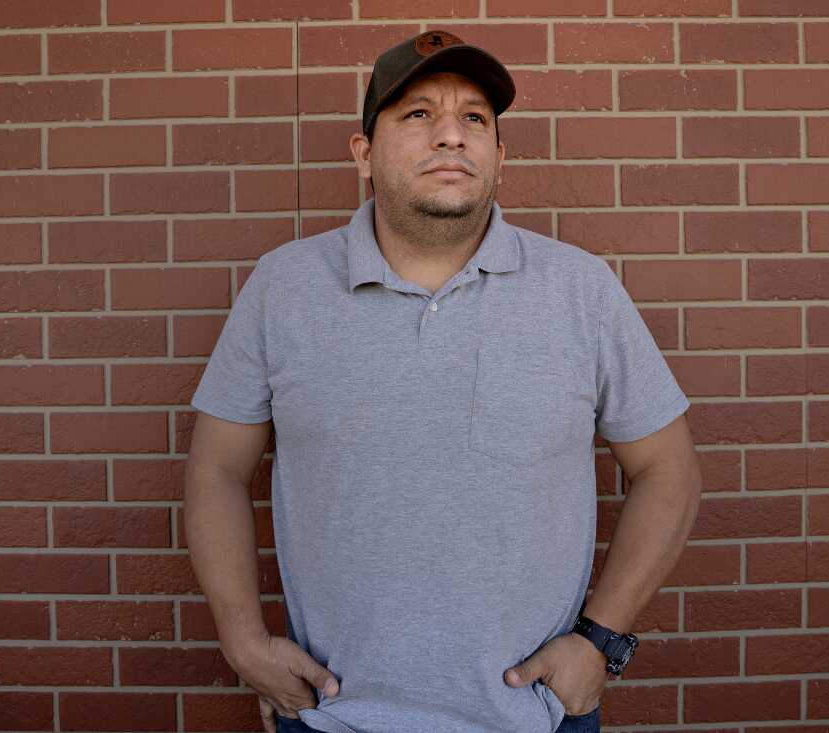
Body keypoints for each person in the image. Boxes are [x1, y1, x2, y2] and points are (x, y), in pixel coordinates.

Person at [184, 30, 703, 733]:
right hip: (335, 715)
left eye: (475, 119)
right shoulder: (285, 288)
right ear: (364, 154)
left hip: (534, 717)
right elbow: (217, 467)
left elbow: (669, 469)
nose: (451, 136)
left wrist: (600, 641)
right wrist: (242, 639)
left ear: (499, 156)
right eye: (418, 114)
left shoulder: (581, 291)